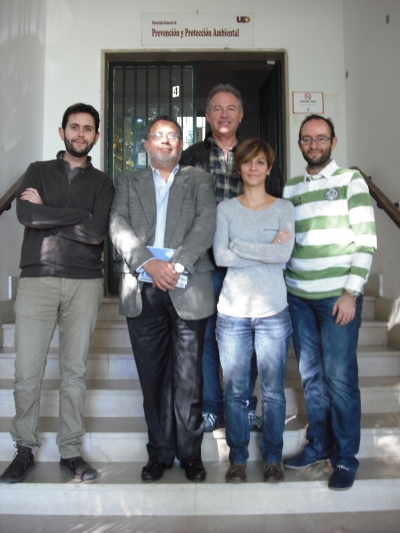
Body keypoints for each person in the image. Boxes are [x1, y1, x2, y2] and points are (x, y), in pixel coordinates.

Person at [0, 103, 115, 484]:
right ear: (62, 131)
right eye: (74, 127)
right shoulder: (37, 170)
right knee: (26, 371)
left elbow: (97, 232)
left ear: (96, 136)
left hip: (84, 282)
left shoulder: (103, 183)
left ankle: (70, 451)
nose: (80, 134)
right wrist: (75, 217)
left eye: (88, 129)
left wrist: (47, 211)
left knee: (74, 371)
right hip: (37, 280)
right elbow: (26, 216)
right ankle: (24, 449)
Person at [109, 115, 216, 482]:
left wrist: (178, 264)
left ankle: (190, 455)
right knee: (152, 379)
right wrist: (148, 263)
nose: (165, 142)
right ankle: (159, 453)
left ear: (181, 144)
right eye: (158, 136)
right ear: (146, 144)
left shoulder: (200, 180)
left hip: (189, 287)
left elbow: (206, 222)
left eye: (173, 136)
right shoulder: (127, 181)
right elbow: (117, 223)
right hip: (142, 289)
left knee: (189, 380)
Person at [180, 84, 283, 432]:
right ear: (207, 115)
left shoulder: (256, 153)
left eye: (231, 108)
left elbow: (274, 201)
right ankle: (212, 406)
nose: (224, 114)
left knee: (252, 336)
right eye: (217, 108)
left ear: (241, 115)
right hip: (205, 263)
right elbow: (181, 210)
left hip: (248, 266)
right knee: (208, 337)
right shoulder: (192, 156)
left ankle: (244, 404)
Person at [283, 114, 377, 491]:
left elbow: (366, 240)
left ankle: (345, 458)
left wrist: (351, 292)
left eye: (321, 138)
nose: (313, 144)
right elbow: (287, 241)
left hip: (338, 298)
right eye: (307, 139)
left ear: (333, 142)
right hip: (298, 298)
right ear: (300, 144)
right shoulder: (291, 188)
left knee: (340, 379)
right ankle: (318, 445)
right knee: (311, 377)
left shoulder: (351, 180)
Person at [213, 138, 294, 483]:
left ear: (269, 168)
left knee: (273, 390)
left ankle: (273, 458)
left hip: (273, 310)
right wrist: (264, 246)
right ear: (240, 167)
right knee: (234, 390)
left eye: (260, 162)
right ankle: (239, 459)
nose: (253, 168)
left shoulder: (283, 208)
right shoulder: (226, 210)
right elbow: (220, 256)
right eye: (247, 162)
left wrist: (240, 245)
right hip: (232, 312)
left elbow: (283, 255)